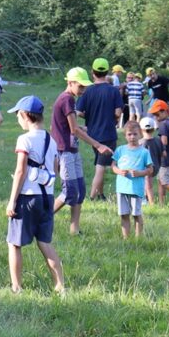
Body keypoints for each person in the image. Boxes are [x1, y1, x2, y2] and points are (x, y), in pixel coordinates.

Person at [6, 95, 64, 294]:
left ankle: (16, 287)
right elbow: (55, 169)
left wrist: (12, 201)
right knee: (45, 242)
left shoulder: (24, 139)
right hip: (47, 197)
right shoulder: (51, 140)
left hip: (27, 197)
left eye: (17, 115)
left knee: (14, 243)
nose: (17, 119)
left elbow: (20, 171)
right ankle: (60, 285)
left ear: (24, 115)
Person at [51, 67, 113, 235]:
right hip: (64, 151)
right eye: (80, 86)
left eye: (85, 86)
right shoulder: (66, 99)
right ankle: (43, 219)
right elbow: (74, 130)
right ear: (70, 83)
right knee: (70, 192)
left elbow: (70, 125)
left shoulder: (70, 98)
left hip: (72, 149)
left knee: (80, 191)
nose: (83, 90)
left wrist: (83, 128)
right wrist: (98, 145)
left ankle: (75, 230)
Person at [75, 58, 123, 200]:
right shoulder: (113, 91)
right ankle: (91, 197)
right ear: (107, 72)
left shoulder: (87, 91)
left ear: (93, 72)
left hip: (92, 134)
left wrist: (91, 116)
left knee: (99, 162)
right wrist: (110, 118)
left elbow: (79, 112)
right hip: (108, 134)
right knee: (101, 167)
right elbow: (118, 113)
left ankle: (101, 195)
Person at [111, 121, 153, 238]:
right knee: (124, 214)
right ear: (125, 135)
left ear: (140, 134)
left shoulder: (144, 152)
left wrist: (140, 173)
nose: (132, 137)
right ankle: (126, 238)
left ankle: (138, 239)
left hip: (136, 189)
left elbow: (150, 169)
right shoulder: (120, 150)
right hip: (122, 188)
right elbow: (113, 166)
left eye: (135, 134)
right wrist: (119, 171)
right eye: (129, 134)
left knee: (136, 214)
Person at [139, 116, 163, 205]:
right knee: (148, 183)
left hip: (147, 168)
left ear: (141, 129)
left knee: (148, 185)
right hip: (157, 166)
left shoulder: (140, 143)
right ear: (154, 129)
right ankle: (146, 197)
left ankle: (151, 203)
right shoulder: (158, 140)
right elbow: (162, 153)